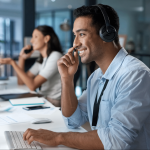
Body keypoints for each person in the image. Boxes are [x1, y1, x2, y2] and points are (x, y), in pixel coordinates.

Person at [23, 4, 150, 150]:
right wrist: (67, 79)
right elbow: (73, 120)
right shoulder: (96, 77)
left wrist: (58, 138)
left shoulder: (135, 75)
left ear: (106, 34)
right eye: (74, 35)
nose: (75, 43)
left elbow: (116, 140)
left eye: (82, 34)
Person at [0, 25, 63, 107]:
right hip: (43, 98)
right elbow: (21, 82)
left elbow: (32, 85)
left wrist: (13, 63)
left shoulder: (55, 56)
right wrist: (22, 59)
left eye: (35, 37)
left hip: (53, 102)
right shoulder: (42, 59)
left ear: (46, 39)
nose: (32, 41)